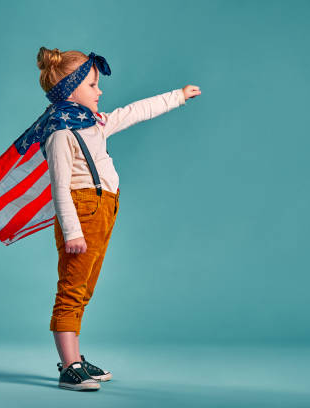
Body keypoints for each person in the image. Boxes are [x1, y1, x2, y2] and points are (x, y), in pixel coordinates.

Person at [36, 47, 201, 391]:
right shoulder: (60, 131)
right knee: (72, 288)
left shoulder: (93, 122)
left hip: (104, 209)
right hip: (82, 211)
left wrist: (178, 96)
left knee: (85, 288)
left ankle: (76, 359)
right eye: (93, 85)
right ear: (71, 87)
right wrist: (72, 232)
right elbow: (60, 189)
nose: (100, 91)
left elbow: (134, 112)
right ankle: (69, 367)